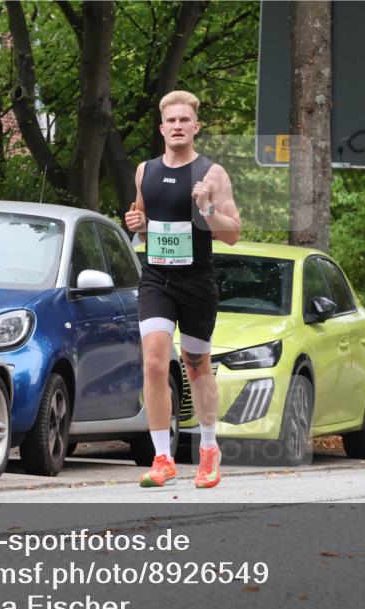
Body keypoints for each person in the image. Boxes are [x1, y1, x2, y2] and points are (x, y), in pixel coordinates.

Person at [124, 90, 241, 488]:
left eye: (183, 120)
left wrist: (207, 208)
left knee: (195, 365)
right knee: (155, 361)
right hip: (157, 277)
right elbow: (141, 214)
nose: (177, 126)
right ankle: (162, 457)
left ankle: (209, 448)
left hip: (196, 280)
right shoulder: (145, 170)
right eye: (170, 120)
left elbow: (234, 235)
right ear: (162, 128)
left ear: (195, 127)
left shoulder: (212, 174)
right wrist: (136, 222)